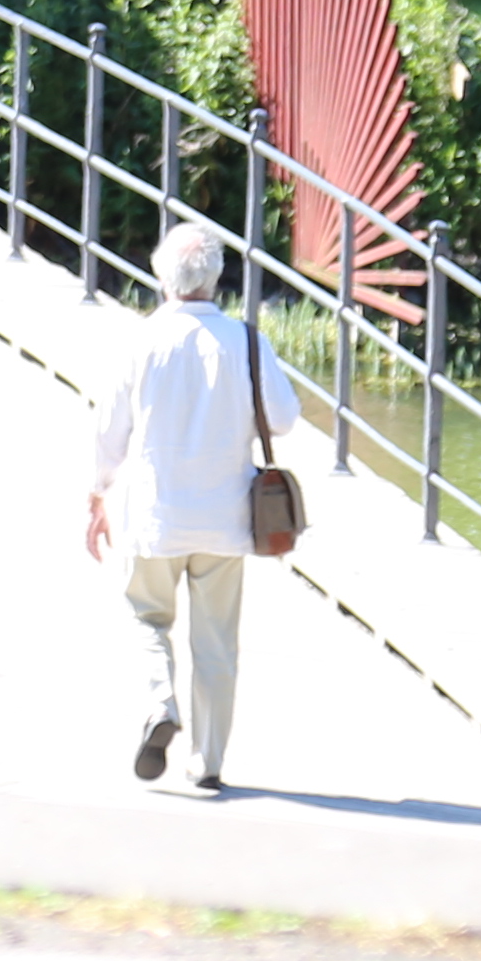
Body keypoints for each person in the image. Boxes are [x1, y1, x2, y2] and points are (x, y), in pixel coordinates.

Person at [83, 217, 304, 794]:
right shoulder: (246, 342)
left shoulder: (140, 340)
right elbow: (282, 417)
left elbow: (111, 430)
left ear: (163, 277)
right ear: (216, 278)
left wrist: (99, 493)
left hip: (153, 514)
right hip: (227, 516)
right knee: (216, 644)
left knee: (146, 618)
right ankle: (206, 762)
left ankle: (159, 705)